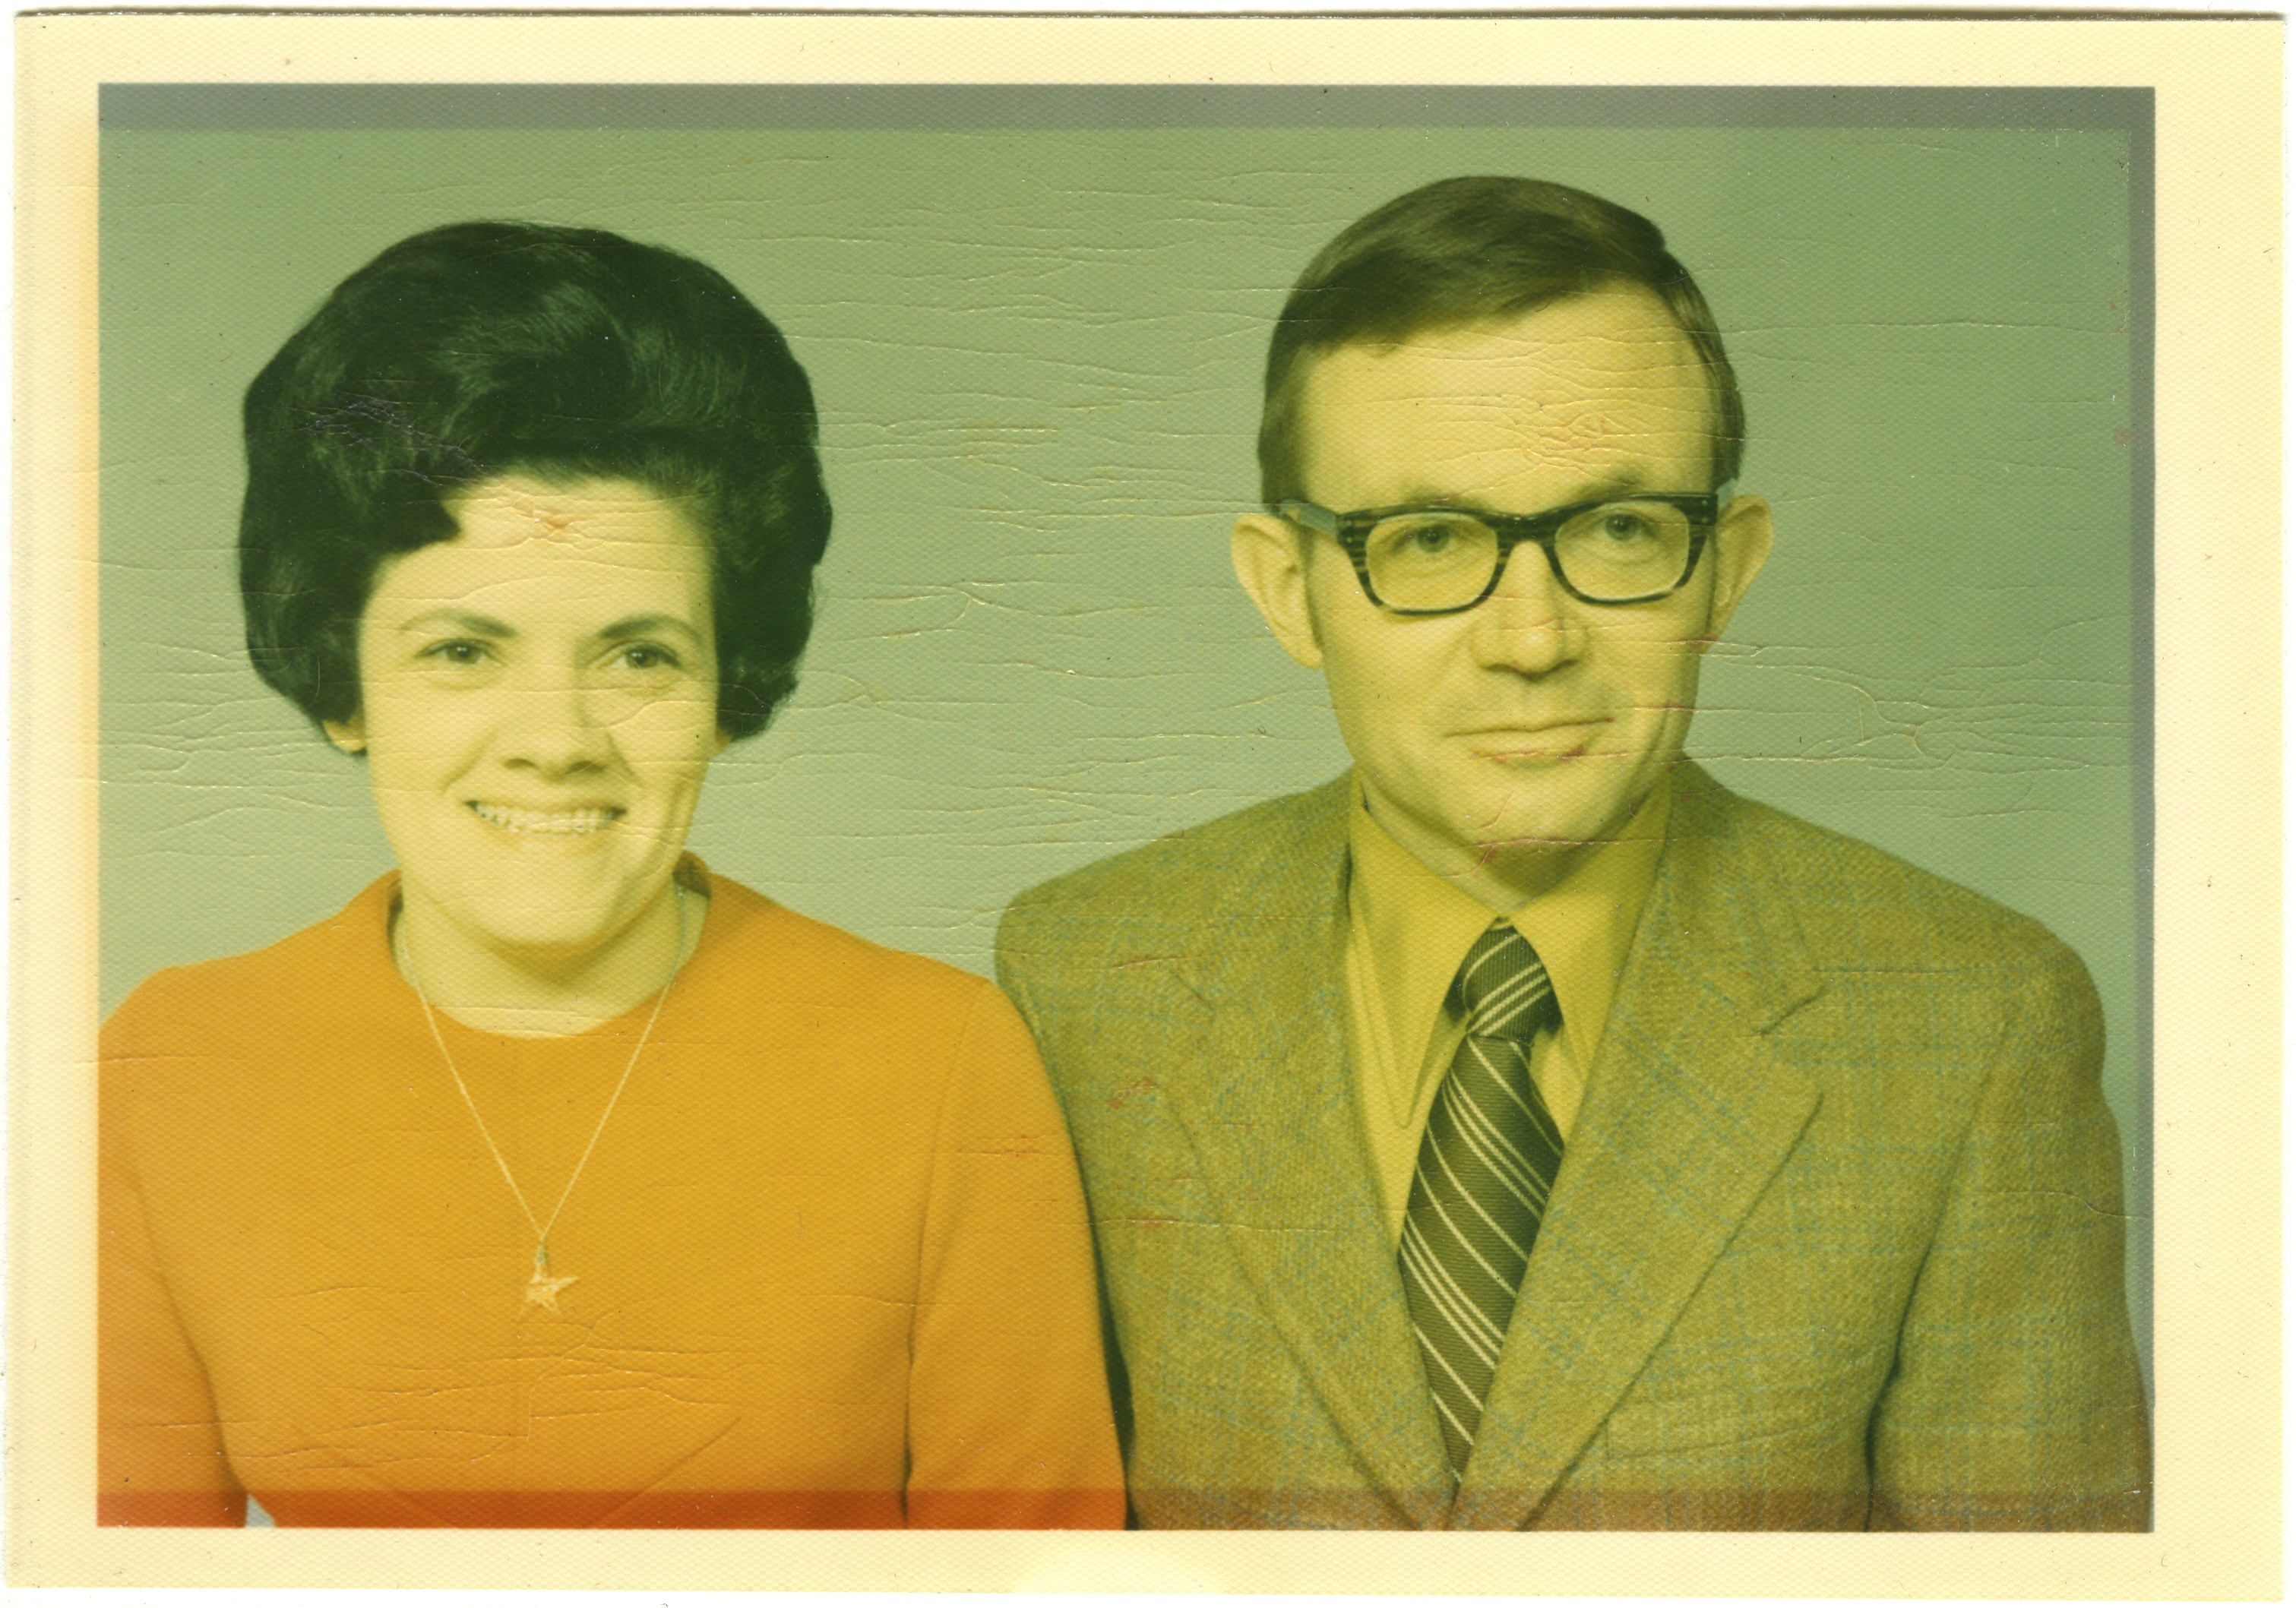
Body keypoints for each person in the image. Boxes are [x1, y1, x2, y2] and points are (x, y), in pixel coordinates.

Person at [995, 175, 2149, 1531]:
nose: (1531, 639)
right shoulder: (1083, 981)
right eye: (1428, 539)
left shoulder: (1974, 1022)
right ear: (1287, 590)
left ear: (1724, 566)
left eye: (1618, 528)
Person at [100, 221, 1121, 1529]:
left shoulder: (938, 1060)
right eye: (462, 650)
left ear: (726, 688)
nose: (557, 740)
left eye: (638, 656)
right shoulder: (172, 1065)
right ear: (340, 682)